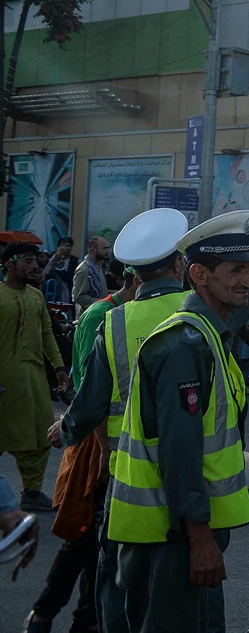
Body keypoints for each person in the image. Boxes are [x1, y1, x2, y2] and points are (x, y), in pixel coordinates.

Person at [52, 199, 249, 633]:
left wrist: (65, 431)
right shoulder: (201, 323)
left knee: (121, 602)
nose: (245, 280)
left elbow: (88, 406)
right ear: (186, 268)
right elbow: (179, 443)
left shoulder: (117, 321)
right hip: (184, 505)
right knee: (188, 610)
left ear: (133, 272)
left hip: (125, 485)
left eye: (246, 270)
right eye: (237, 271)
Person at [22, 267, 136, 633]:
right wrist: (102, 450)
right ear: (136, 280)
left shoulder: (141, 312)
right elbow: (90, 391)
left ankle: (87, 620)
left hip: (121, 447)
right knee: (83, 535)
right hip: (94, 444)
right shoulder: (99, 315)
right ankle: (43, 614)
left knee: (103, 544)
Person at [0, 242, 70, 511]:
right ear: (10, 265)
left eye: (35, 261)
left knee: (42, 434)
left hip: (34, 378)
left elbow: (47, 334)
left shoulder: (36, 296)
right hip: (4, 380)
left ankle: (32, 492)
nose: (35, 266)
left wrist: (59, 367)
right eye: (27, 262)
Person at [72, 236, 112, 313]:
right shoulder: (84, 270)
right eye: (104, 248)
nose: (107, 251)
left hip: (99, 313)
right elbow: (78, 297)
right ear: (93, 250)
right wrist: (102, 302)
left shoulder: (98, 267)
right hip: (87, 315)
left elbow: (99, 291)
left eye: (108, 248)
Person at [42, 237, 76, 305]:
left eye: (69, 246)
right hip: (52, 296)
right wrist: (57, 254)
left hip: (68, 295)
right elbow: (45, 273)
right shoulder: (52, 258)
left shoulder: (74, 261)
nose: (67, 248)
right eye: (64, 245)